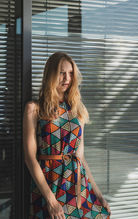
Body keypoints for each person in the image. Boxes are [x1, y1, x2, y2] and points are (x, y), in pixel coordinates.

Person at [23, 52, 111, 218]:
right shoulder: (34, 109)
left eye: (70, 73)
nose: (67, 78)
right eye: (61, 73)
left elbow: (80, 157)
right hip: (49, 184)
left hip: (77, 184)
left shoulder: (78, 110)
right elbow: (30, 158)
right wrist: (51, 200)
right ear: (51, 75)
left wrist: (98, 194)